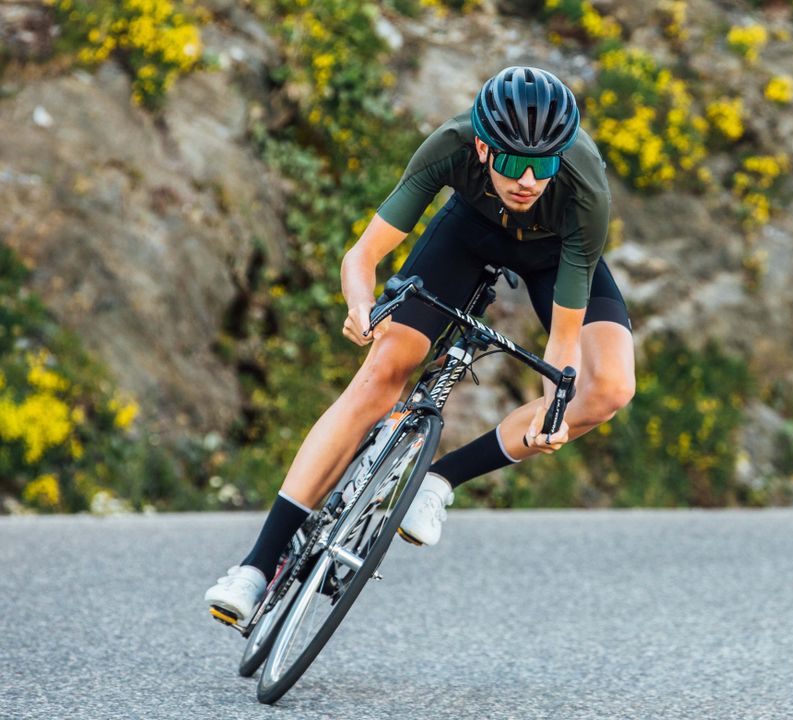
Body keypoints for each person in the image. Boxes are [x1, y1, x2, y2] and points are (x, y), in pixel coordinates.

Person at [204, 66, 636, 623]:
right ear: (483, 147)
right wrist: (360, 307)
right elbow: (362, 257)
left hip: (557, 255)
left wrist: (557, 406)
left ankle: (439, 479)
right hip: (468, 233)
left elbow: (563, 338)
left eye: (543, 165)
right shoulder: (452, 145)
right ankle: (256, 569)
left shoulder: (584, 188)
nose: (528, 179)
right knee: (384, 369)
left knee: (608, 389)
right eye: (511, 161)